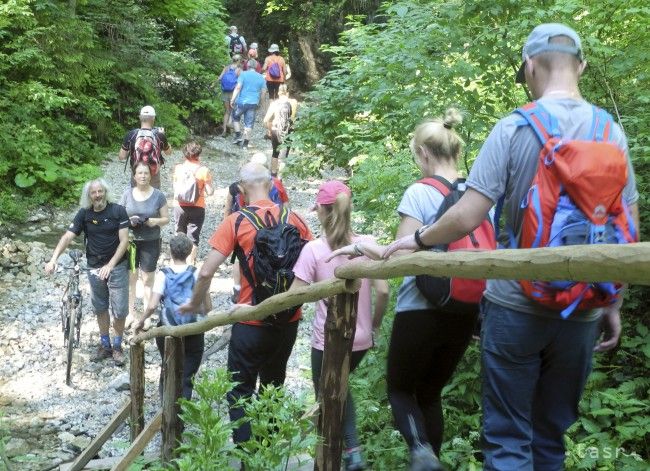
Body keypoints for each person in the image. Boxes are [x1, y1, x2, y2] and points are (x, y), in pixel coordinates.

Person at [382, 24, 639, 470]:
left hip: (516, 303)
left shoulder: (514, 128)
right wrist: (611, 298)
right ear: (580, 65)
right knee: (551, 438)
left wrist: (417, 239)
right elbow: (626, 227)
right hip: (582, 307)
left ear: (530, 66)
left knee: (507, 438)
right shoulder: (610, 131)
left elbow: (468, 214)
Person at [329, 110, 470, 471]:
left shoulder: (420, 192)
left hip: (420, 306)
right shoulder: (475, 194)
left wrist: (361, 248)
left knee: (401, 390)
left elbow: (398, 256)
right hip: (466, 306)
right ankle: (430, 460)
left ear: (424, 153)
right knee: (431, 393)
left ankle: (421, 452)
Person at [179, 162, 312, 446]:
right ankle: (269, 450)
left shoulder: (237, 221)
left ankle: (247, 455)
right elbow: (314, 263)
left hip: (249, 320)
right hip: (288, 320)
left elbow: (205, 271)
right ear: (272, 185)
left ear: (241, 188)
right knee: (273, 385)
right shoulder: (295, 219)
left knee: (239, 390)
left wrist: (195, 304)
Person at [290, 180, 389, 471]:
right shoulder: (367, 245)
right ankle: (349, 452)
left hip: (328, 340)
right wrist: (375, 327)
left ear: (322, 210)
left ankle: (342, 454)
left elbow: (294, 297)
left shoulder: (314, 250)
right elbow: (383, 292)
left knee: (329, 394)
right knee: (339, 389)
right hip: (361, 340)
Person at [45, 179, 130, 365]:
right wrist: (53, 259)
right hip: (93, 266)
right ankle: (105, 344)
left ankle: (117, 346)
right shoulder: (84, 214)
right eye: (94, 192)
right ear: (89, 196)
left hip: (117, 266)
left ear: (105, 192)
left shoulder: (118, 211)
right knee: (100, 306)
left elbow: (124, 241)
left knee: (120, 309)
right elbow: (68, 236)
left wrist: (110, 265)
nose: (98, 195)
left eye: (100, 191)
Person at [133, 234, 212, 400]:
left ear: (170, 251)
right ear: (190, 251)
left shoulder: (163, 274)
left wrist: (141, 321)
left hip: (168, 328)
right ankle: (181, 411)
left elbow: (153, 305)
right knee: (188, 371)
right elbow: (208, 307)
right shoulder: (198, 273)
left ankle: (165, 406)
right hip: (194, 329)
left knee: (168, 365)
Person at [224, 153, 289, 303]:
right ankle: (276, 287)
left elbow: (236, 207)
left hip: (247, 224)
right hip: (276, 226)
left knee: (241, 258)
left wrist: (229, 227)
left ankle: (239, 289)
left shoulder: (240, 187)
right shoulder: (277, 183)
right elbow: (285, 204)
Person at [120, 162, 169, 324]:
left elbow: (166, 219)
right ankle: (130, 313)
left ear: (151, 175)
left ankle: (146, 315)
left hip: (151, 241)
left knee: (148, 278)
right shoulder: (127, 194)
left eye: (146, 173)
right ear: (134, 176)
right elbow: (118, 217)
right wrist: (129, 222)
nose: (143, 176)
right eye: (139, 173)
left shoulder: (158, 195)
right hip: (131, 242)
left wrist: (153, 221)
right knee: (131, 277)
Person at [173, 142, 214, 265]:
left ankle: (177, 263)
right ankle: (190, 265)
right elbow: (210, 191)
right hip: (197, 207)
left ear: (185, 154)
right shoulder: (203, 170)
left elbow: (175, 186)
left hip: (179, 205)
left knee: (179, 233)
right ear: (198, 154)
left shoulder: (178, 168)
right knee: (193, 237)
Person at [118, 105, 172, 189]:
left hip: (137, 172)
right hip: (153, 173)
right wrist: (163, 136)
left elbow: (121, 157)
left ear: (140, 118)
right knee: (154, 198)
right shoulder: (159, 135)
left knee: (136, 197)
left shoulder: (131, 134)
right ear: (153, 118)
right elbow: (169, 153)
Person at [230, 59, 266, 149]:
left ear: (248, 66)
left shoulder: (243, 74)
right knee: (249, 124)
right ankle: (245, 144)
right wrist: (261, 103)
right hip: (253, 103)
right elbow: (263, 93)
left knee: (235, 117)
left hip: (242, 102)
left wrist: (232, 99)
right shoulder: (261, 77)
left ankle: (238, 136)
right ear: (256, 67)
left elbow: (238, 87)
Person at [263, 84, 298, 176]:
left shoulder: (274, 103)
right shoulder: (293, 102)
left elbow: (266, 120)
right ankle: (281, 176)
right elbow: (293, 117)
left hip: (276, 129)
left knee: (275, 153)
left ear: (278, 93)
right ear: (288, 93)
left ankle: (273, 174)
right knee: (285, 153)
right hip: (289, 130)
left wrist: (270, 129)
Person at [218, 55, 242, 137]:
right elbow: (240, 83)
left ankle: (224, 131)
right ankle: (230, 125)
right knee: (233, 111)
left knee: (227, 112)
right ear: (239, 60)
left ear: (232, 60)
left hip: (225, 92)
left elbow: (220, 78)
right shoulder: (239, 70)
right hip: (233, 93)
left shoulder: (226, 68)